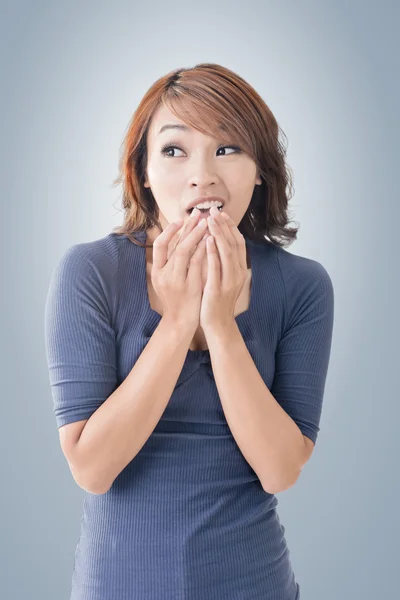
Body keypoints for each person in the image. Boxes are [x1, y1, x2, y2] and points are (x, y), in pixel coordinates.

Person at [44, 62, 334, 600]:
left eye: (229, 149)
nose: (203, 175)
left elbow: (279, 470)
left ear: (261, 171)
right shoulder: (90, 272)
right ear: (145, 172)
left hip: (255, 584)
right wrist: (177, 322)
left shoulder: (302, 285)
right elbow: (91, 468)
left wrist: (221, 327)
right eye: (174, 150)